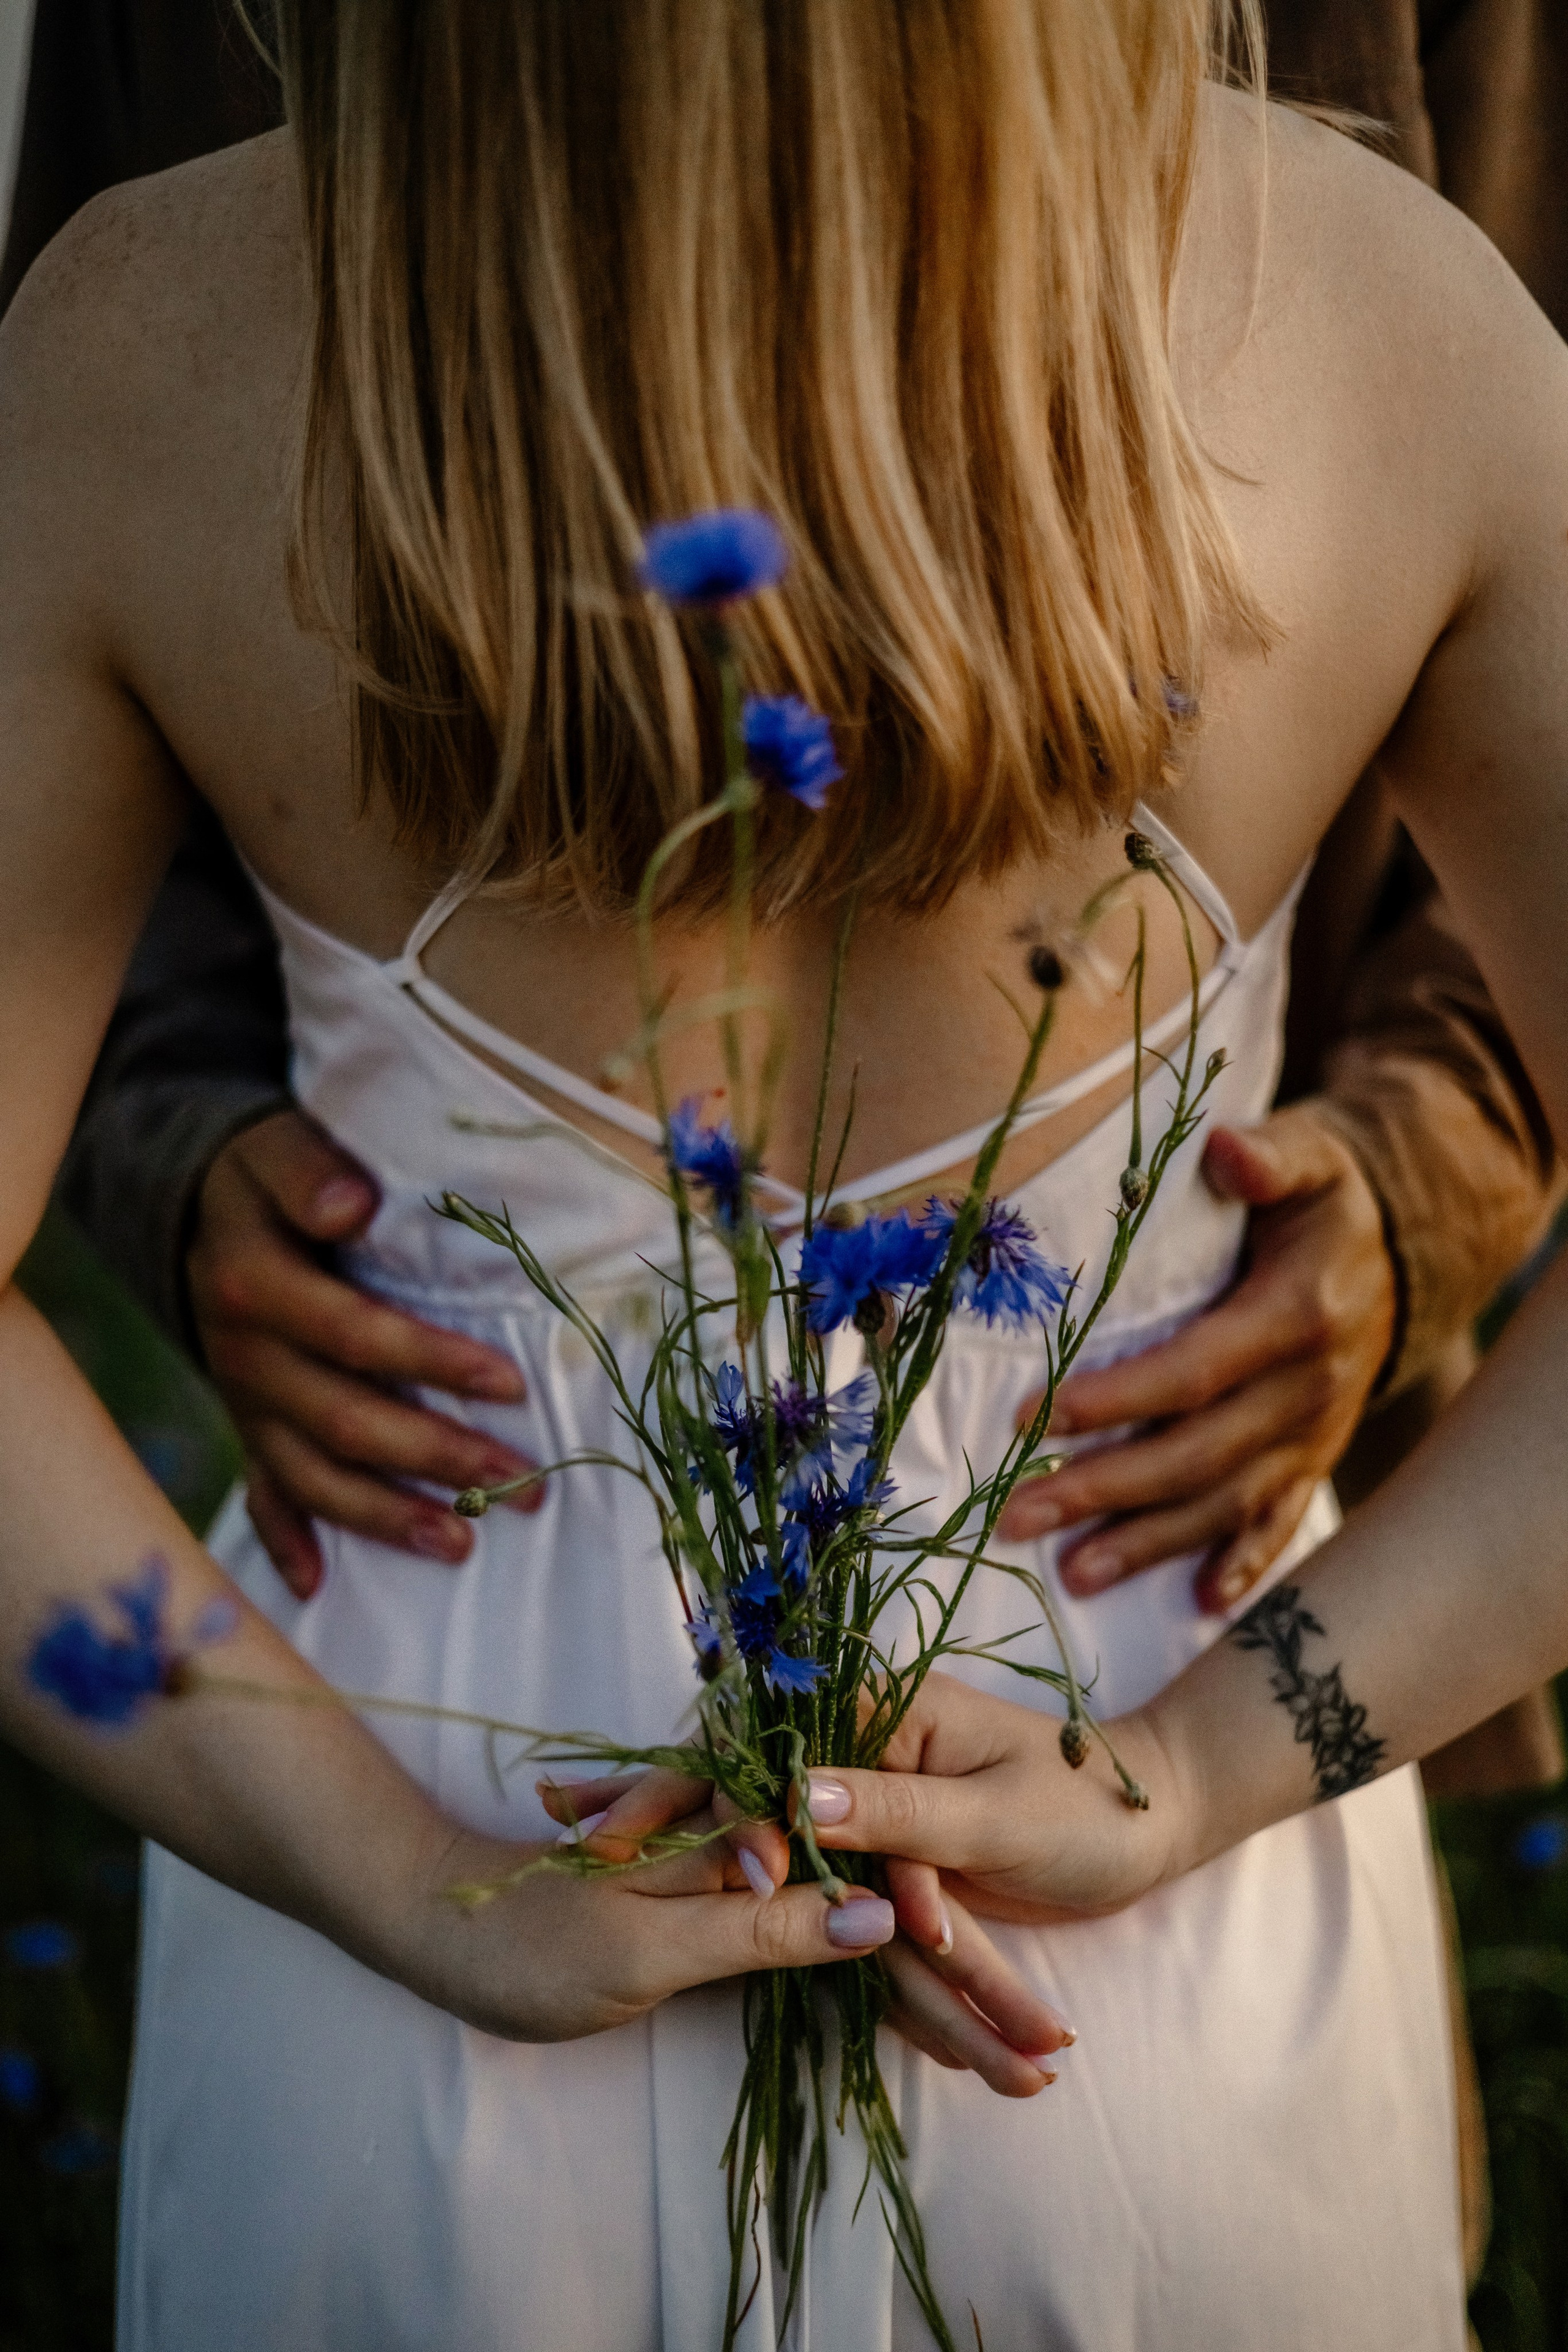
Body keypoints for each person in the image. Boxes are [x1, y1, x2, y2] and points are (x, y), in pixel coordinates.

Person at [2, 4, 1568, 2344]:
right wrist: (1187, 1768)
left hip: (431, 1912)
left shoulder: (155, 349)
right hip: (1119, 1926)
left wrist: (424, 1880)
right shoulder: (1379, 317)